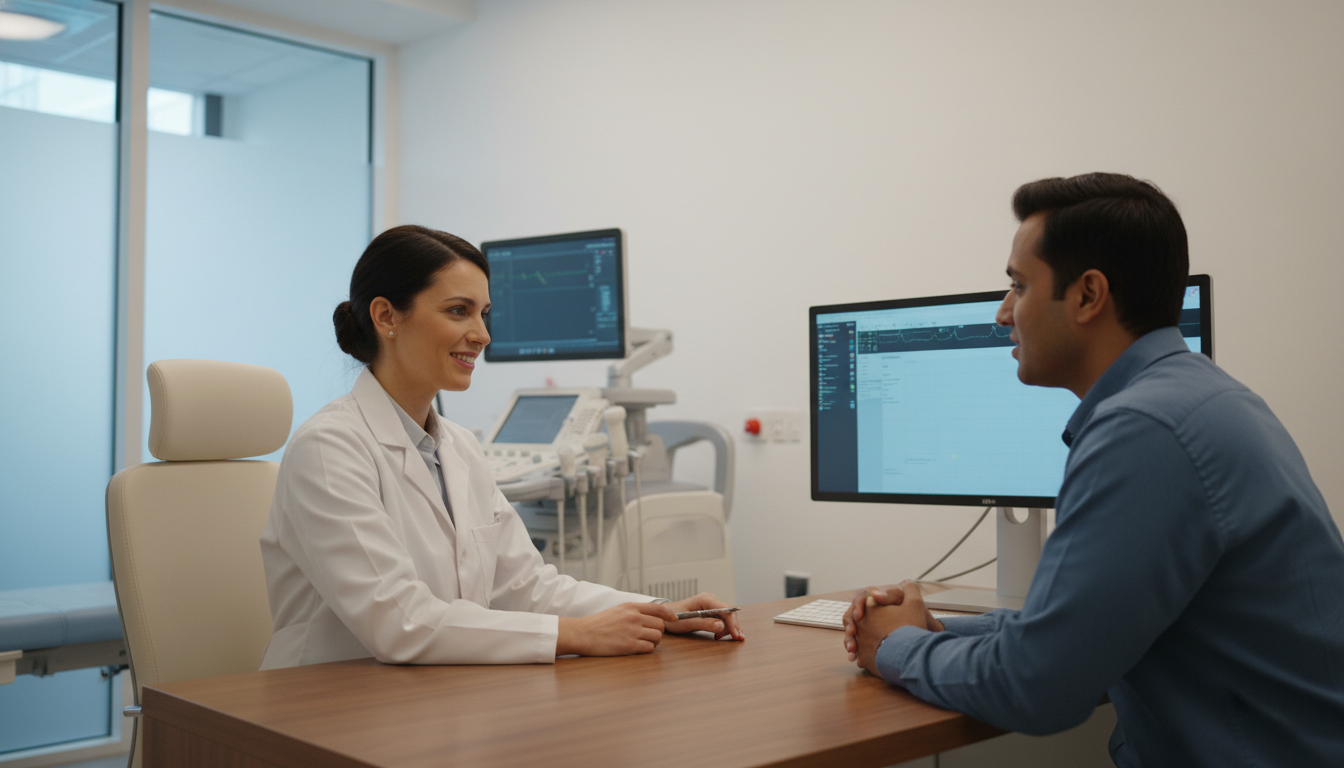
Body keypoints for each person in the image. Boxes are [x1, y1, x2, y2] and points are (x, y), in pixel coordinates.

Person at [842, 173, 1344, 767]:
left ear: (1087, 296)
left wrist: (893, 646)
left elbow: (1036, 686)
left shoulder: (1146, 429)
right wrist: (940, 632)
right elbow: (1074, 629)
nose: (1004, 313)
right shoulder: (1199, 399)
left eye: (1018, 287)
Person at [259, 224, 743, 669]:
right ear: (386, 315)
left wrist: (657, 612)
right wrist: (576, 634)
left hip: (431, 699)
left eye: (484, 313)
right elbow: (398, 620)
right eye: (458, 311)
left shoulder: (460, 448)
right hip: (329, 706)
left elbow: (527, 587)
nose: (483, 335)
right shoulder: (329, 448)